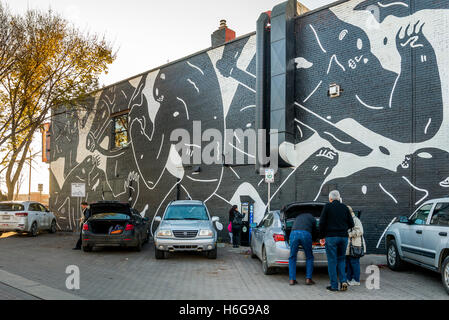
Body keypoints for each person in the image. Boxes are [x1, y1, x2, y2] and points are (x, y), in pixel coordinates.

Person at [319, 190, 354, 292]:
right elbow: (352, 224)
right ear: (339, 198)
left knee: (332, 261)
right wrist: (343, 227)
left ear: (330, 199)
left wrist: (321, 236)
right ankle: (343, 281)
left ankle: (334, 285)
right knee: (341, 259)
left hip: (331, 237)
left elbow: (321, 222)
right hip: (343, 238)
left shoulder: (327, 207)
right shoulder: (345, 207)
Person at [288, 212, 318, 286]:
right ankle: (308, 279)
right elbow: (315, 232)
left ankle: (292, 279)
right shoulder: (312, 218)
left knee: (292, 257)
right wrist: (315, 240)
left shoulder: (297, 217)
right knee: (309, 257)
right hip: (305, 234)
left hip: (293, 233)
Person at [346, 206, 366, 286]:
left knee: (354, 263)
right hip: (350, 246)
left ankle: (356, 280)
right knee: (349, 263)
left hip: (355, 245)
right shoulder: (349, 220)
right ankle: (349, 279)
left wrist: (348, 234)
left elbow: (360, 231)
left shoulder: (356, 220)